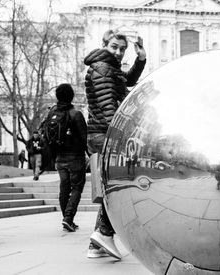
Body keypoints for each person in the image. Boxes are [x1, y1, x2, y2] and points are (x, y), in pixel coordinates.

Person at [84, 29, 146, 259]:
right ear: (104, 44)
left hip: (101, 133)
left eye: (122, 49)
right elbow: (107, 104)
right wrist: (118, 133)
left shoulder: (109, 67)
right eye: (114, 47)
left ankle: (97, 243)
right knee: (118, 186)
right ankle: (103, 232)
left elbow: (126, 82)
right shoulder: (102, 68)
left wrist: (140, 59)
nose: (119, 52)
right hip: (104, 134)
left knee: (112, 185)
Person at [46, 83, 88, 232]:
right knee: (76, 187)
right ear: (71, 96)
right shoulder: (75, 114)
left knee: (64, 189)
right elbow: (85, 138)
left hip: (59, 158)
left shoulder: (51, 113)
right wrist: (91, 156)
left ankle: (67, 219)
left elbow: (46, 136)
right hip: (75, 158)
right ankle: (68, 218)